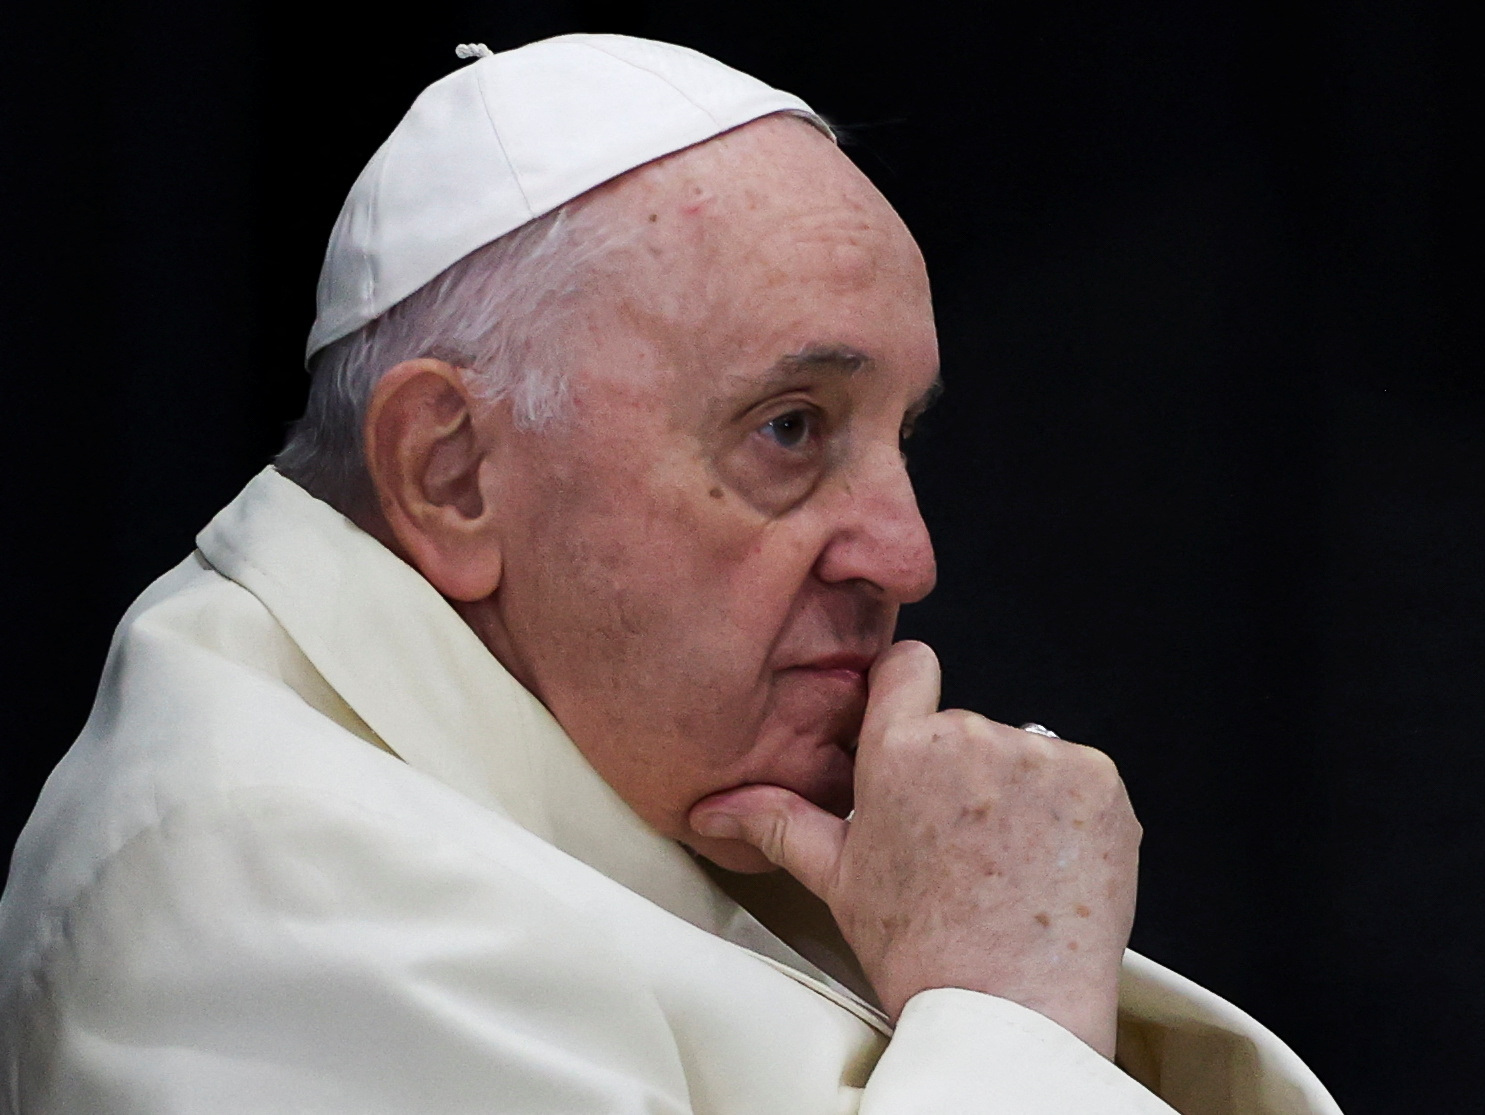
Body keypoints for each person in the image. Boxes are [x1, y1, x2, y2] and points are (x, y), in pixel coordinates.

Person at [0, 34, 1338, 1114]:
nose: (907, 554)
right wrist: (1009, 1017)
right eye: (790, 429)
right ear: (451, 473)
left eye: (899, 438)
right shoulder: (261, 894)